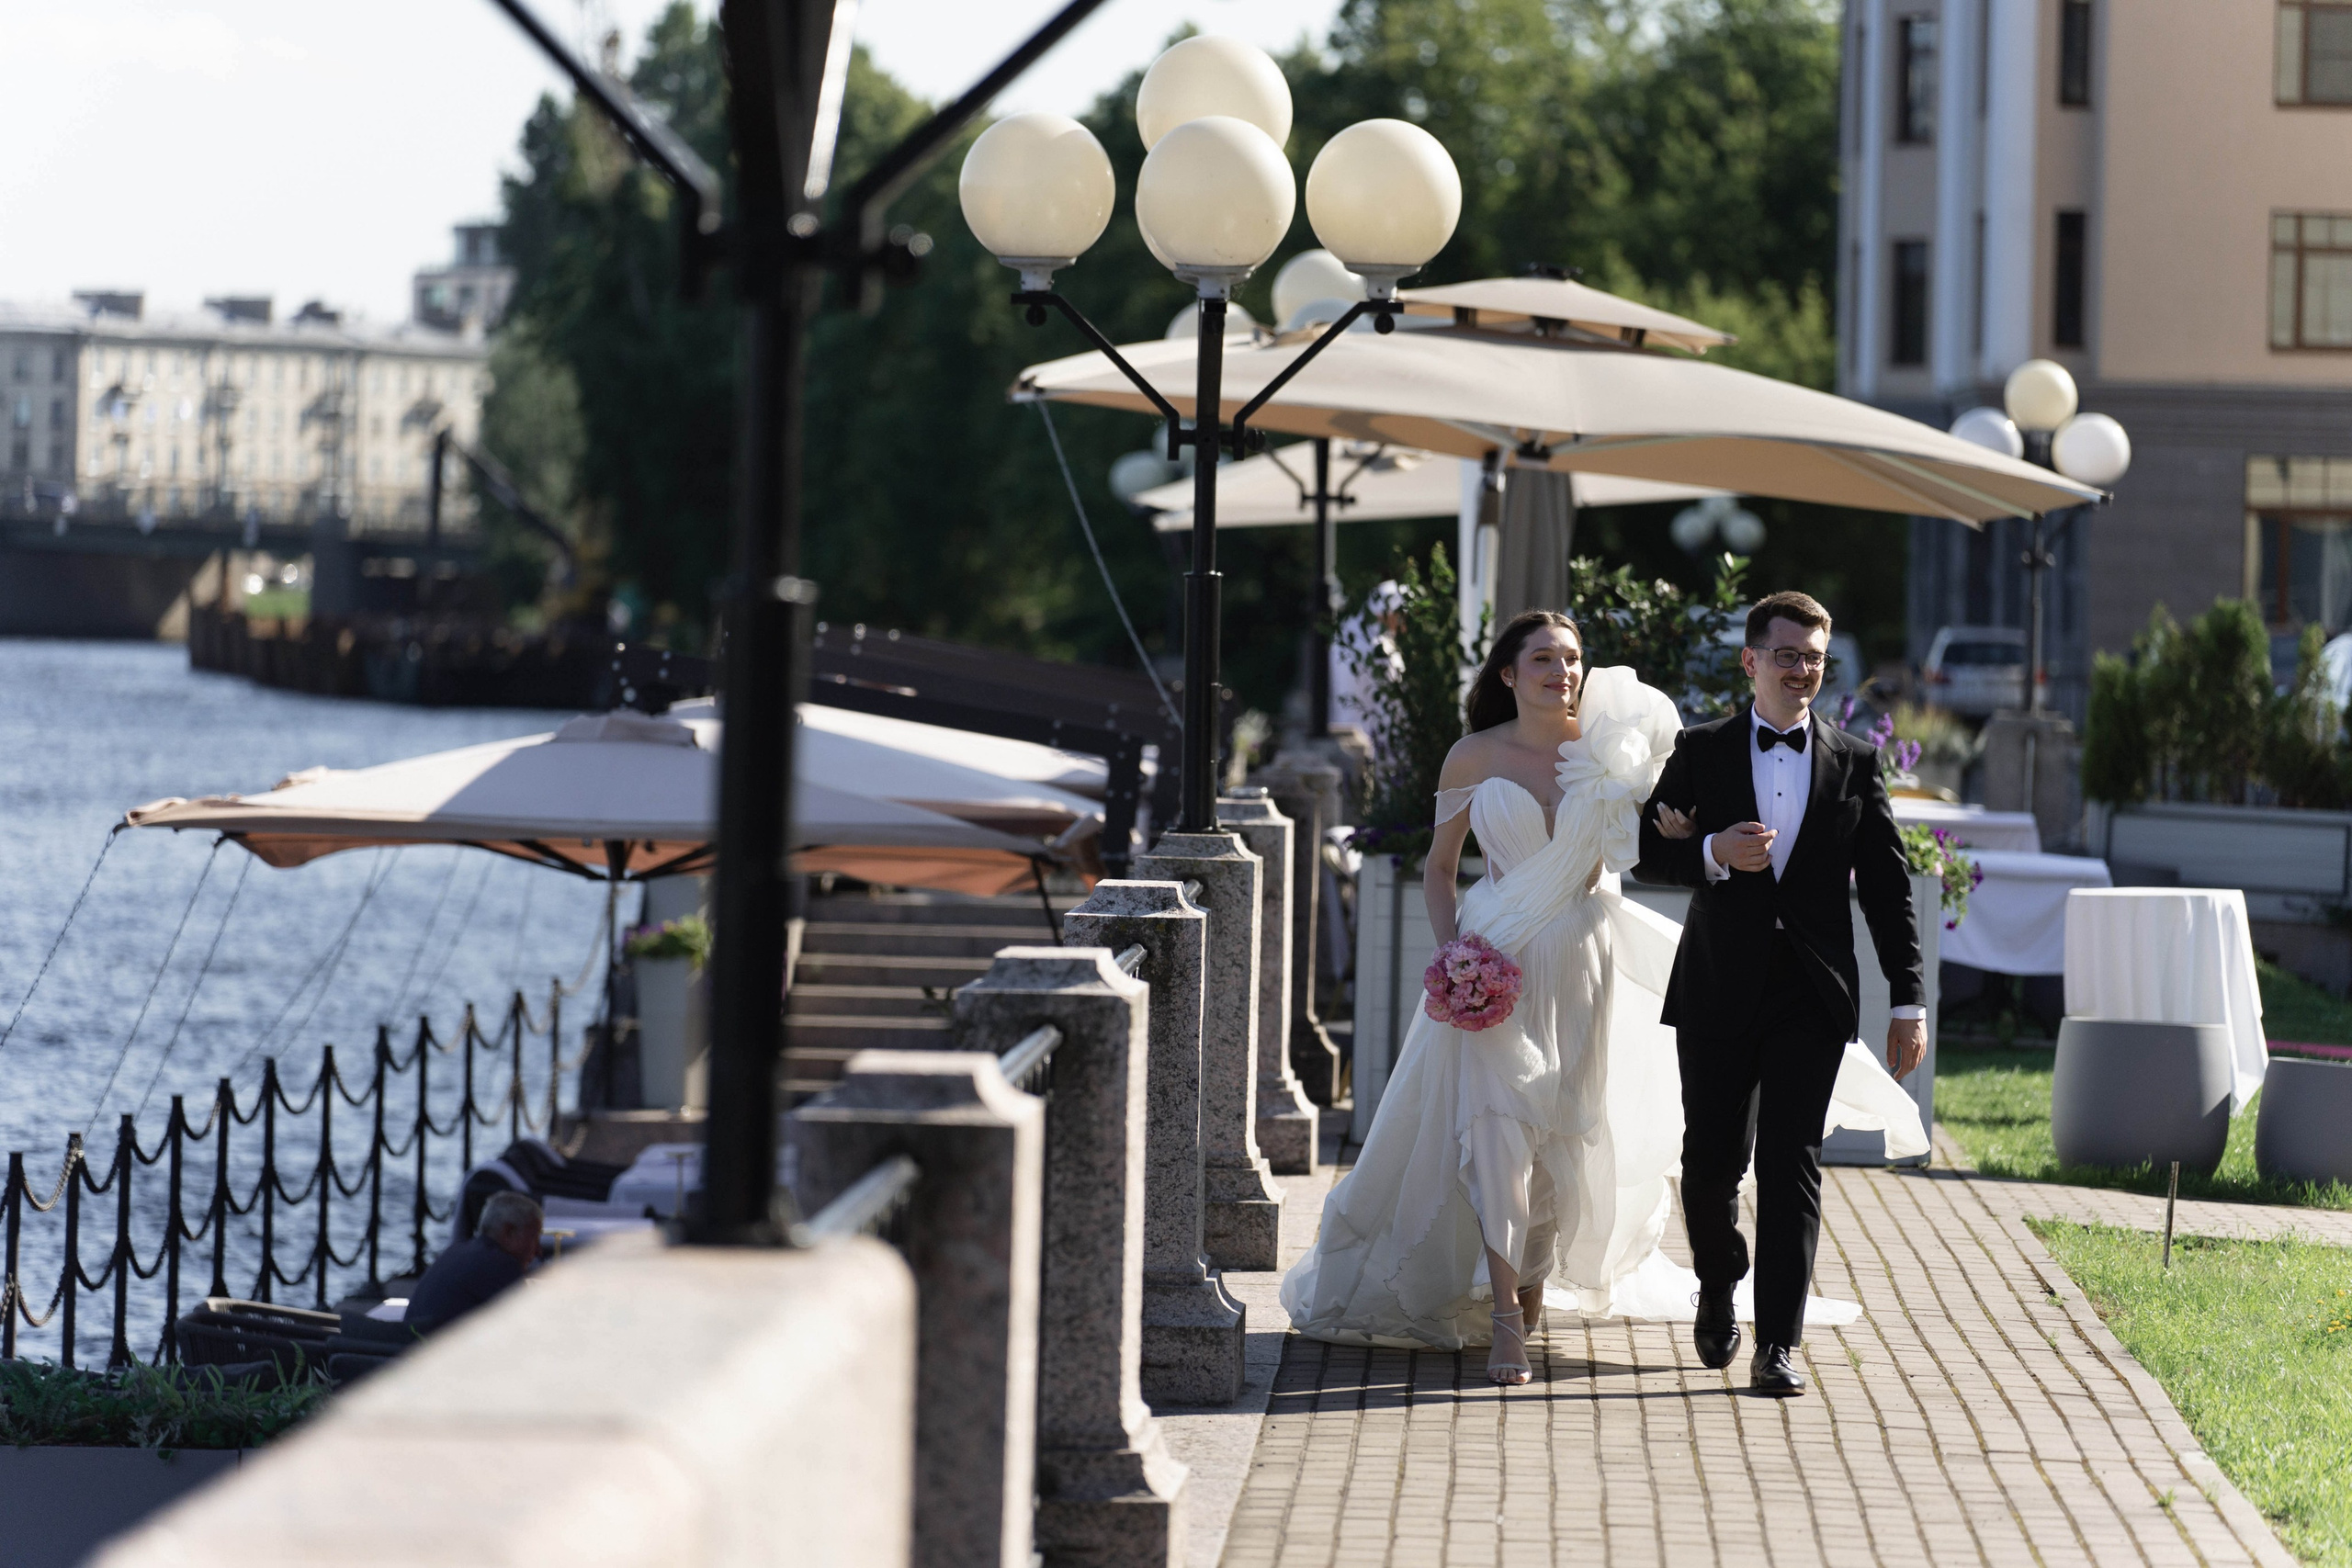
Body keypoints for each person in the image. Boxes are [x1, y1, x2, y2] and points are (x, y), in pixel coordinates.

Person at [1282, 610, 1693, 1384]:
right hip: (1493, 961)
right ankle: (1506, 1314)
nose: (1562, 671)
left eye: (1572, 659)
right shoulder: (1472, 755)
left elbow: (1639, 845)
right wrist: (1454, 956)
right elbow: (1441, 868)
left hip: (1581, 961)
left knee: (1561, 1132)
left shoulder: (1606, 750)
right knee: (1497, 1128)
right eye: (1543, 658)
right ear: (1509, 673)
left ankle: (1532, 1282)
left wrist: (1678, 825)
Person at [1634, 590, 1926, 1398]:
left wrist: (1910, 999)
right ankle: (1719, 1280)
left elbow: (1890, 891)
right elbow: (1645, 856)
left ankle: (1779, 1345)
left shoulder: (1857, 763)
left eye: (1815, 659)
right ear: (1751, 659)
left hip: (1813, 995)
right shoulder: (1702, 750)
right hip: (1718, 986)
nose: (1802, 671)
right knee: (1710, 1162)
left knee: (1792, 1160)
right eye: (1788, 655)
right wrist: (1715, 854)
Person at [406, 1190, 543, 1335]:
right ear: (508, 1232)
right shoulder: (500, 1264)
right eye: (534, 1238)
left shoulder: (456, 1252)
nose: (538, 1251)